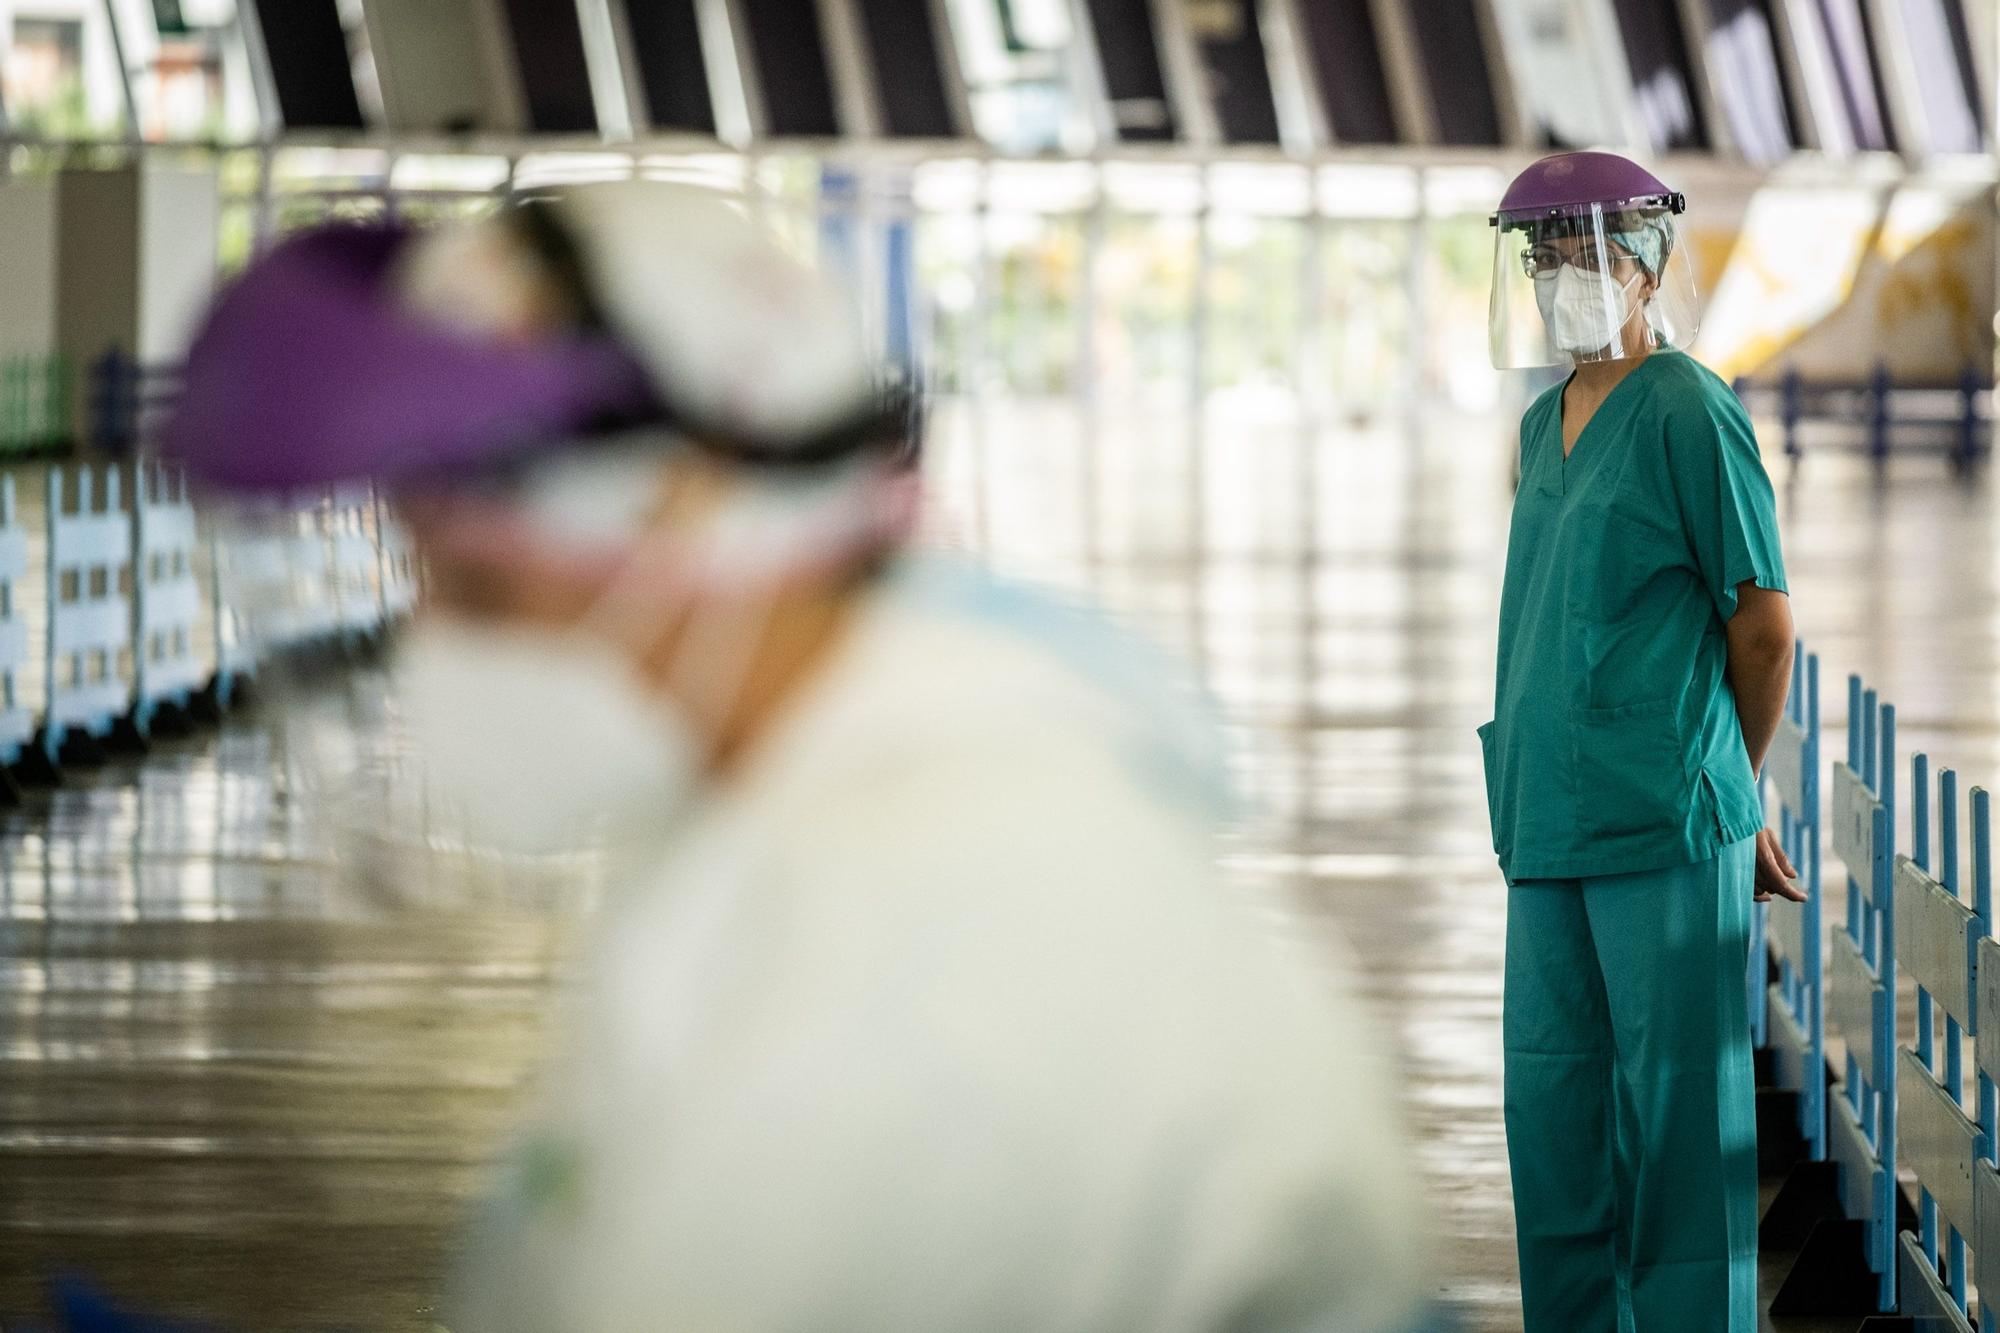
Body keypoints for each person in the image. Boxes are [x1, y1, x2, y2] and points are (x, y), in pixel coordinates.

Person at [165, 181, 1435, 1331]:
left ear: (684, 527)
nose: (436, 647)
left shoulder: (904, 922)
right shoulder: (824, 782)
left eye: (481, 590)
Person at [1480, 151, 1801, 1332]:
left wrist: (1731, 789)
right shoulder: (1539, 424)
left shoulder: (1685, 407)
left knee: (1674, 1126)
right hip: (1549, 822)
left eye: (1586, 250)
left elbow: (1759, 624)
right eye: (1544, 253)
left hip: (1664, 818)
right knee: (1553, 1113)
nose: (1565, 273)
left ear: (1646, 264)